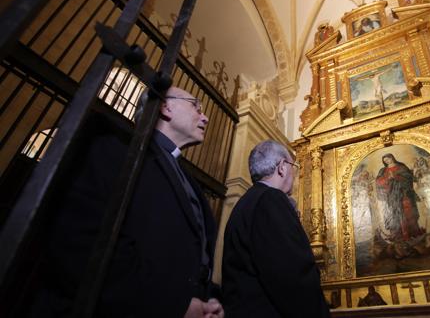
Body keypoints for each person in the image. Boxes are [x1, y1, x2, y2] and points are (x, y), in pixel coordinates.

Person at [31, 87, 224, 318]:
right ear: (166, 106)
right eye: (196, 105)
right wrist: (173, 305)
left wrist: (207, 300)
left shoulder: (187, 179)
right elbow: (84, 246)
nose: (205, 116)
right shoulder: (115, 149)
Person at [222, 140, 330, 318]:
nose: (294, 175)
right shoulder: (271, 200)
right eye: (293, 166)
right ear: (282, 167)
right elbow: (293, 275)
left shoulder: (245, 203)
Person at [375, 153, 424, 241]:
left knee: (407, 212)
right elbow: (378, 182)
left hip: (403, 194)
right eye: (385, 161)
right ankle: (398, 236)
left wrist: (396, 177)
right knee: (393, 215)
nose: (387, 161)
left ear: (392, 158)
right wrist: (387, 179)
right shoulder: (383, 170)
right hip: (391, 196)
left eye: (388, 159)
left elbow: (409, 178)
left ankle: (412, 233)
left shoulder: (401, 167)